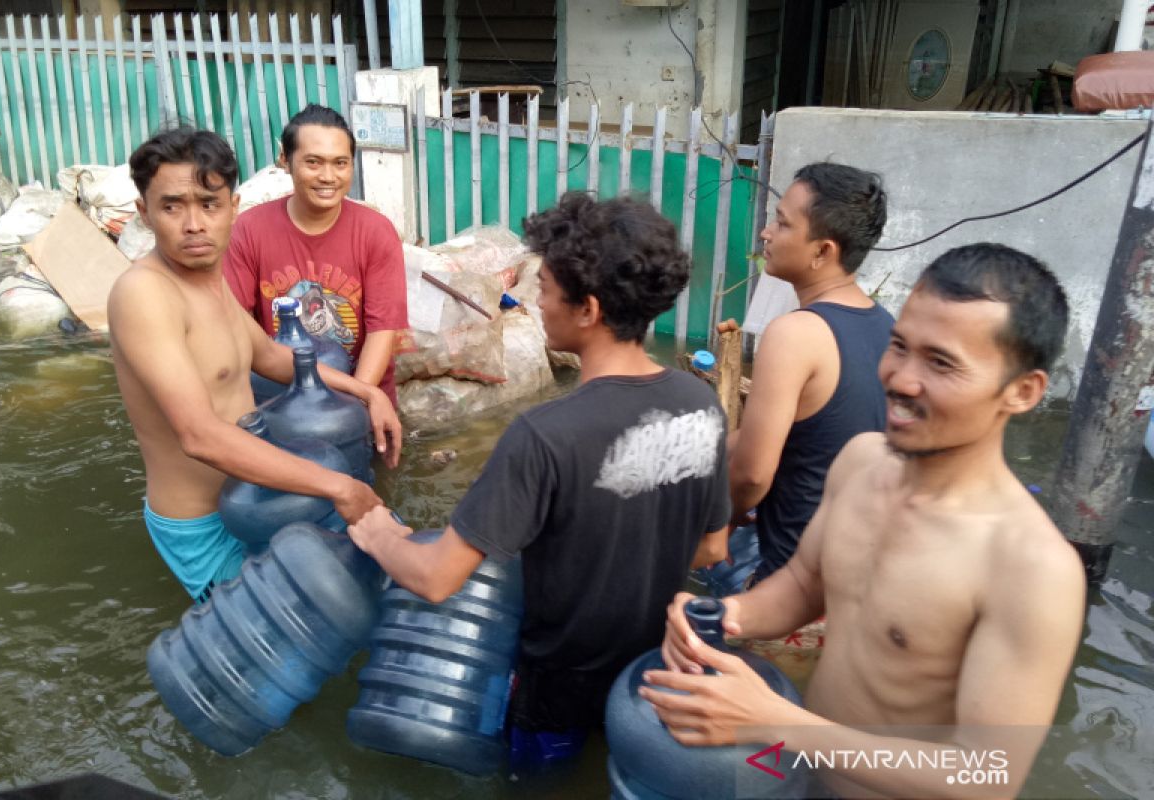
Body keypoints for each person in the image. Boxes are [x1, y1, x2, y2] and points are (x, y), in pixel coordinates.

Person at [645, 243, 1086, 797]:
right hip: (801, 775)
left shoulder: (1032, 567)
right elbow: (806, 584)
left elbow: (989, 775)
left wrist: (775, 722)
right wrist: (722, 614)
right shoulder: (860, 461)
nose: (901, 379)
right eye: (900, 346)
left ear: (1022, 392)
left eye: (942, 363)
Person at [347, 193, 731, 765]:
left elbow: (436, 580)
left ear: (589, 310)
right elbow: (711, 547)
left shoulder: (545, 434)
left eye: (546, 289)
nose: (537, 303)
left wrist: (377, 529)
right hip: (648, 678)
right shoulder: (700, 403)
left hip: (556, 687)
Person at [108, 126, 402, 604]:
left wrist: (366, 393)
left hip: (260, 500)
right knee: (298, 644)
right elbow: (199, 435)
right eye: (171, 206)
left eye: (208, 204)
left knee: (377, 585)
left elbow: (270, 357)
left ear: (233, 207)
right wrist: (338, 486)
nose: (194, 225)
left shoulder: (208, 277)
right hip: (205, 523)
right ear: (143, 213)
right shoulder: (144, 294)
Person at [727, 162, 894, 585]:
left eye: (782, 223)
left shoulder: (795, 335)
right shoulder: (888, 326)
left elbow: (751, 475)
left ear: (823, 251)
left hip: (794, 582)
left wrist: (719, 521)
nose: (766, 233)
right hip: (862, 575)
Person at [224, 104, 408, 405]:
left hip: (363, 400)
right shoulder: (249, 229)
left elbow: (381, 330)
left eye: (340, 163)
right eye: (313, 162)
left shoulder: (376, 232)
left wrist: (352, 408)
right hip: (277, 400)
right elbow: (234, 324)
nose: (328, 176)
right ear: (285, 159)